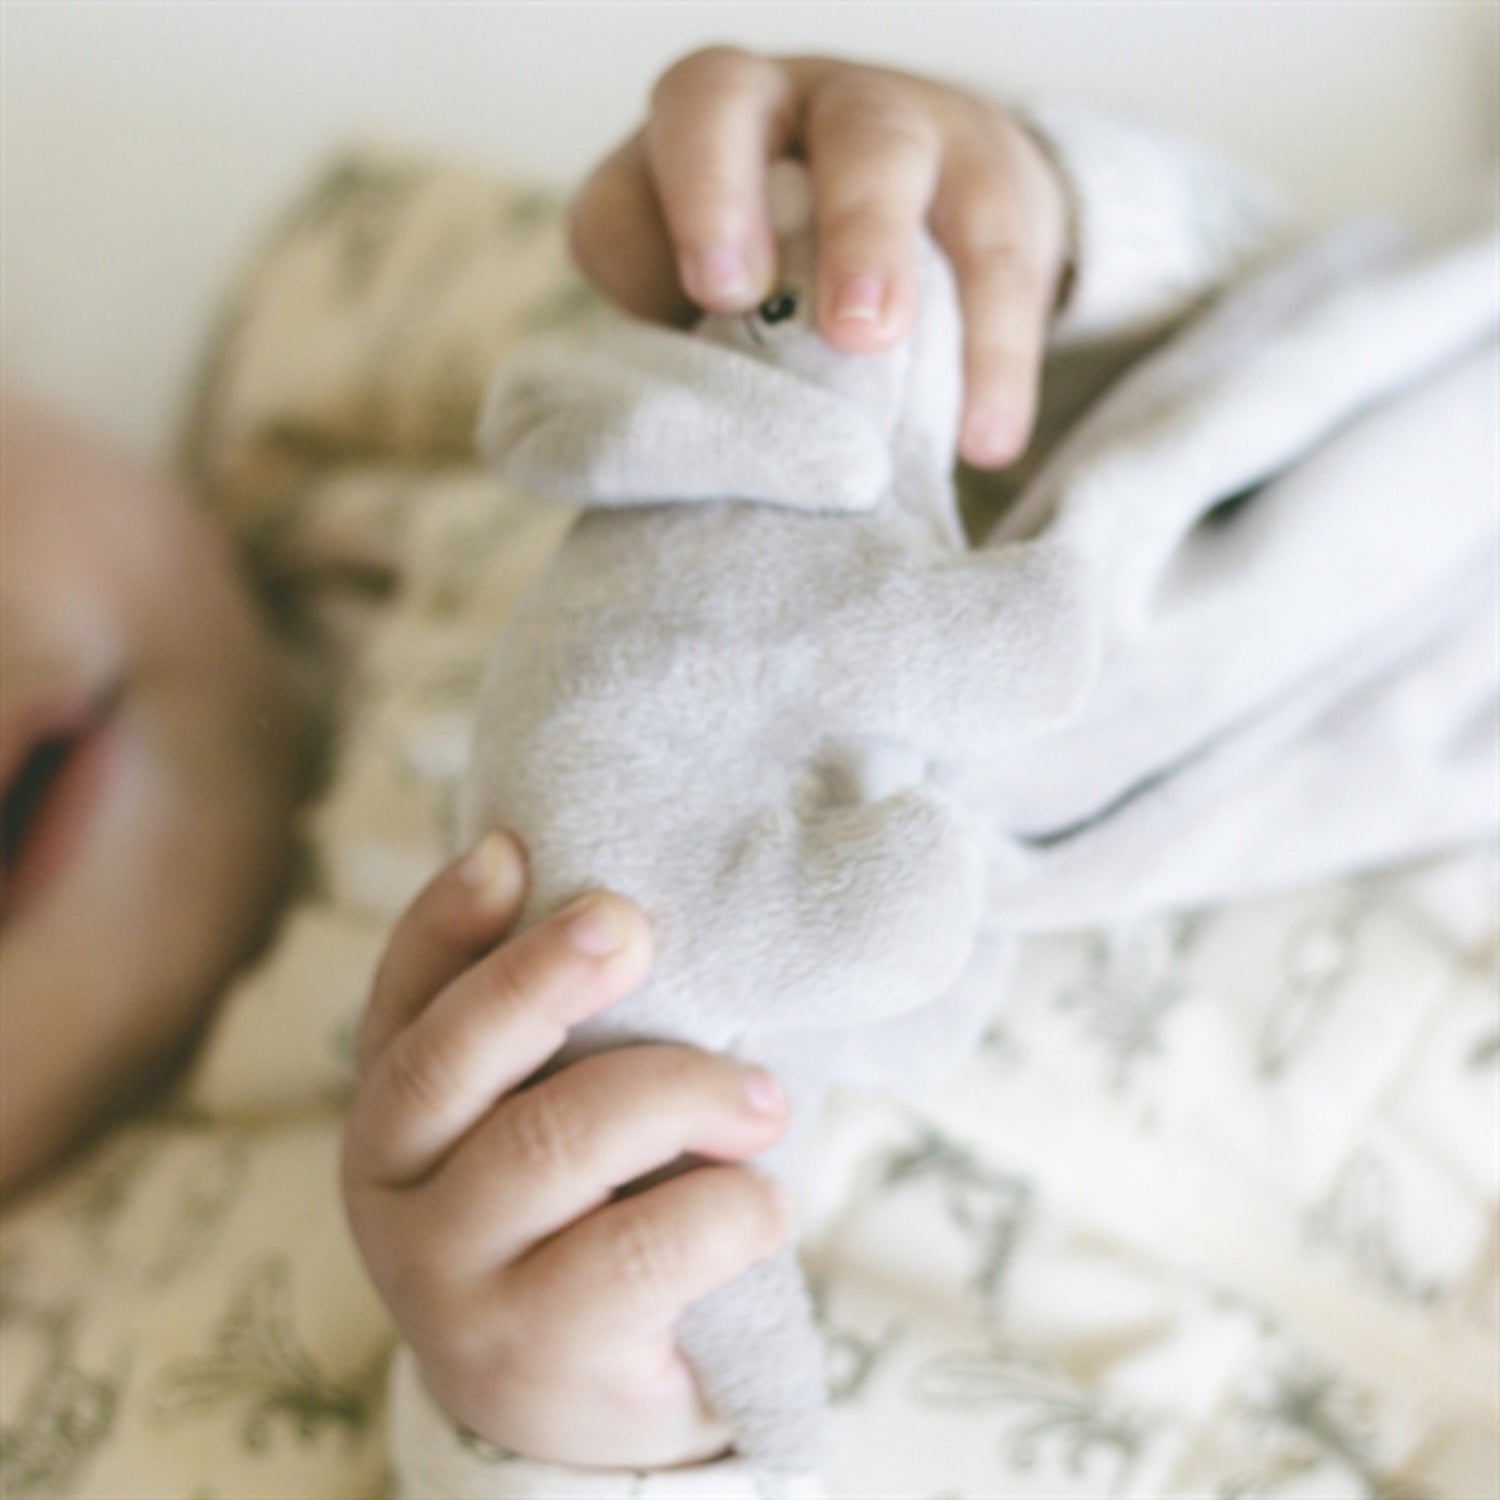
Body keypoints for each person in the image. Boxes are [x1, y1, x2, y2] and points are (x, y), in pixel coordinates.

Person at [1, 47, 1491, 1500]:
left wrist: (1018, 240)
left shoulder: (379, 338)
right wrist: (563, 1436)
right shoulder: (50, 1393)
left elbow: (1313, 340)